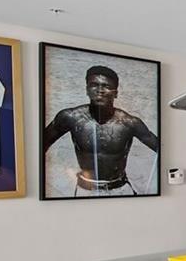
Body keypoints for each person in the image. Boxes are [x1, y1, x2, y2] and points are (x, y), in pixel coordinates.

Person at [42, 64, 159, 195]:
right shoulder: (70, 117)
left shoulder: (129, 123)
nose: (100, 90)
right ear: (87, 90)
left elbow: (162, 149)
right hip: (84, 190)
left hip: (120, 190)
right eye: (94, 85)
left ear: (116, 94)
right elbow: (39, 148)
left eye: (106, 86)